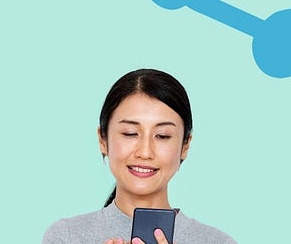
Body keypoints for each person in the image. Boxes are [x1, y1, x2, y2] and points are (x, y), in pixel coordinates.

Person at [43, 69, 238, 244]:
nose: (145, 152)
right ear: (103, 139)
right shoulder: (65, 236)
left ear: (185, 145)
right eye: (130, 133)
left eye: (162, 136)